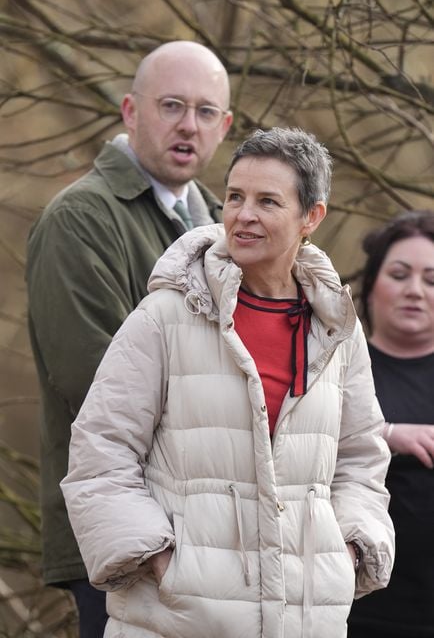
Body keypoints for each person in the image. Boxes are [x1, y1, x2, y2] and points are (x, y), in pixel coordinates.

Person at [60, 127, 394, 638]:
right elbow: (100, 449)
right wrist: (162, 563)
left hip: (307, 620)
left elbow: (362, 459)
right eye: (235, 196)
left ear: (312, 217)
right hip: (176, 620)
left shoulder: (337, 329)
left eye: (267, 201)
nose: (243, 215)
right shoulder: (165, 316)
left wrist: (344, 554)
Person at [25, 40, 233, 637]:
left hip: (213, 530)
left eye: (205, 111)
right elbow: (95, 384)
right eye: (171, 105)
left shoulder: (220, 225)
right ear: (129, 111)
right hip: (122, 533)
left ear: (225, 126)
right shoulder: (81, 218)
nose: (188, 125)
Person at [347, 209, 434, 638]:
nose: (415, 290)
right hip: (354, 613)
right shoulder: (339, 368)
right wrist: (388, 434)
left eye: (431, 280)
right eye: (399, 274)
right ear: (371, 285)